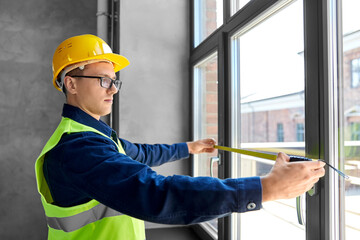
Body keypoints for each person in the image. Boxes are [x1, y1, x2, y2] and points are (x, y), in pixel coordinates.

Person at [35, 34, 326, 240]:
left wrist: (190, 147)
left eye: (115, 81)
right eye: (104, 80)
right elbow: (156, 194)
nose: (113, 89)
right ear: (71, 83)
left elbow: (143, 154)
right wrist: (265, 188)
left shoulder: (95, 136)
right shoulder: (77, 148)